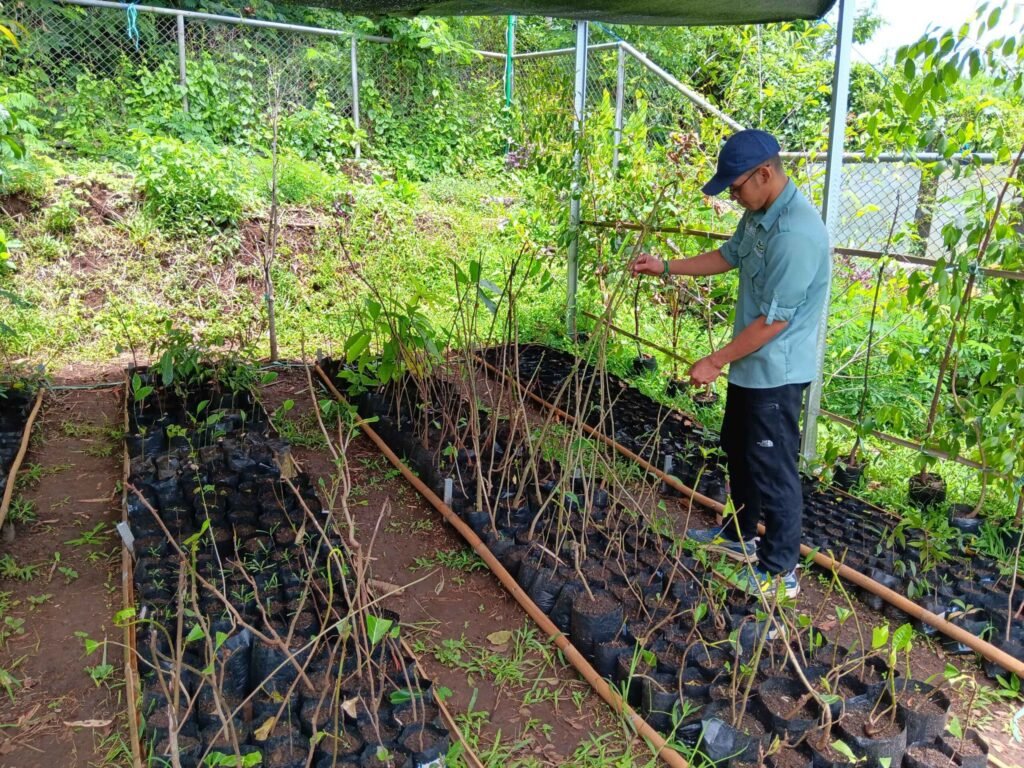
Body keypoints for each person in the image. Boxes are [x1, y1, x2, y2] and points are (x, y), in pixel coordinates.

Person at [631, 129, 830, 599]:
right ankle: (740, 537)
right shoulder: (760, 216)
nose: (735, 197)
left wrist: (715, 360)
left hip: (776, 374)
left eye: (737, 187)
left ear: (765, 173)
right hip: (750, 366)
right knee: (739, 449)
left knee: (773, 466)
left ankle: (780, 571)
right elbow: (727, 256)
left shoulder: (797, 234)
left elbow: (773, 323)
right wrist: (665, 267)